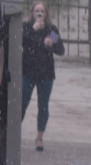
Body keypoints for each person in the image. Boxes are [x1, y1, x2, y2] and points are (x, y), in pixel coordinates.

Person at [21, 2, 64, 152]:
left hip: (46, 73)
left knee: (43, 106)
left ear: (46, 14)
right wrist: (33, 29)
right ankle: (13, 134)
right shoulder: (27, 27)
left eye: (42, 11)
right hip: (28, 71)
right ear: (32, 13)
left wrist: (52, 44)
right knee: (21, 103)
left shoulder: (50, 30)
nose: (39, 13)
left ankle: (39, 137)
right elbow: (20, 41)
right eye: (37, 11)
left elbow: (61, 50)